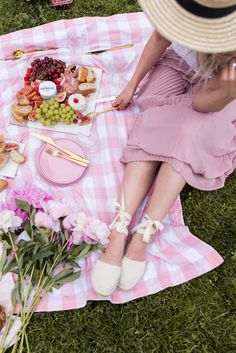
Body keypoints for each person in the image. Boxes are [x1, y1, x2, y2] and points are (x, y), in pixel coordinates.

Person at [91, 0, 236, 296]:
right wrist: (132, 85)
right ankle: (119, 227)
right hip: (178, 65)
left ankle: (145, 231)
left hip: (217, 88)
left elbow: (202, 103)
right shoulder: (188, 7)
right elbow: (160, 37)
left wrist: (227, 88)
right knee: (153, 112)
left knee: (187, 134)